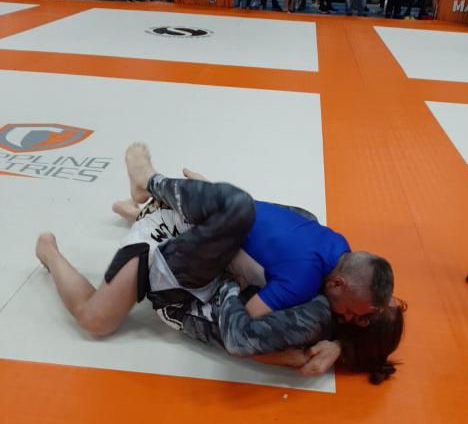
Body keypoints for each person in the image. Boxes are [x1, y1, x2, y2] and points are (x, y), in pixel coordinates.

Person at [35, 144, 395, 372]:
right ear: (339, 283)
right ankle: (52, 248)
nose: (353, 316)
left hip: (201, 240)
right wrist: (233, 292)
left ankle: (143, 208)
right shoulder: (307, 284)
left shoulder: (337, 255)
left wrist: (332, 347)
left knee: (248, 225)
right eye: (357, 312)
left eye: (360, 318)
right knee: (96, 320)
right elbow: (242, 333)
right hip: (174, 242)